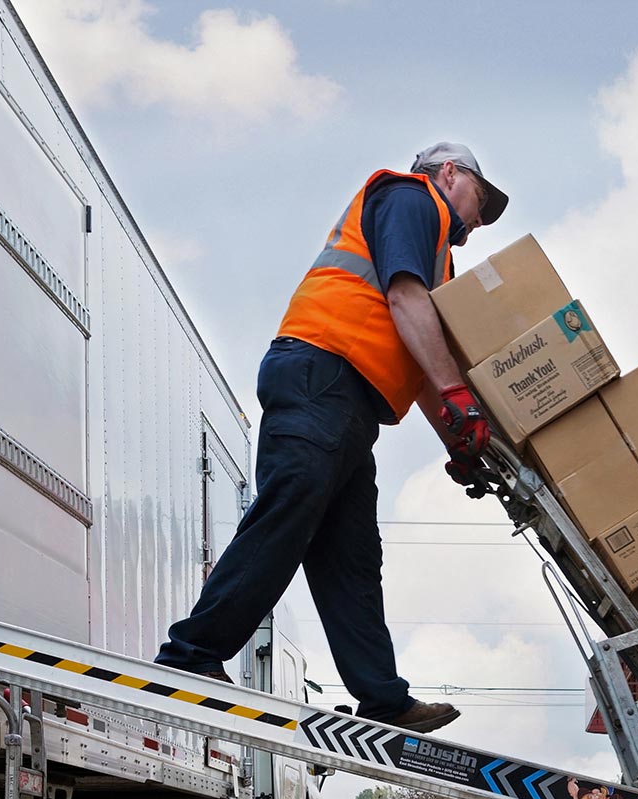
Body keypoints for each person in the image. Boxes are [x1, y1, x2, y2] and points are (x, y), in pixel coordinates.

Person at [155, 143, 509, 733]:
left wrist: (458, 440)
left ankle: (383, 698)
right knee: (287, 514)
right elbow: (401, 297)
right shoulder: (411, 199)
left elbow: (421, 364)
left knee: (350, 558)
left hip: (349, 404)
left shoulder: (435, 258)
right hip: (323, 374)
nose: (478, 220)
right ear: (449, 173)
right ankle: (190, 656)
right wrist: (459, 398)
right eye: (479, 199)